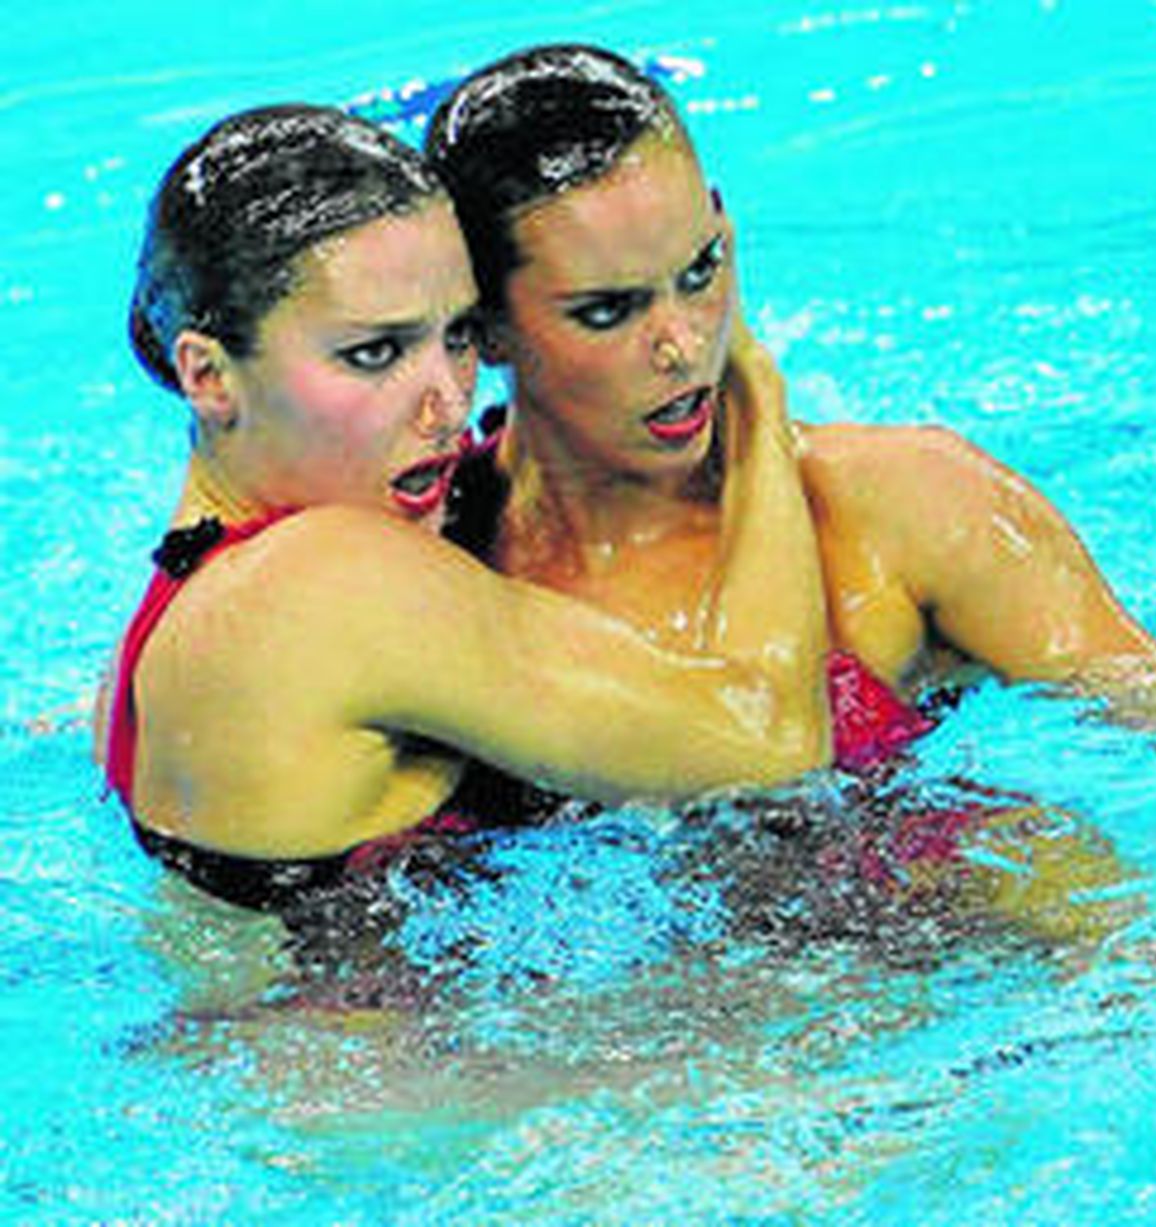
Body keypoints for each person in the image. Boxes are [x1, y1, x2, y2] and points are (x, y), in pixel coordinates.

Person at [425, 44, 1156, 785]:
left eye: (701, 271)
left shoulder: (901, 510)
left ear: (725, 225)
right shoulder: (416, 564)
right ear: (487, 331)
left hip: (934, 979)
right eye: (609, 311)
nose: (684, 341)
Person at [96, 104, 833, 912]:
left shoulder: (145, 649)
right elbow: (772, 741)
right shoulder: (329, 581)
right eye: (373, 353)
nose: (447, 403)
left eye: (457, 336)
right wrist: (754, 397)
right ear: (206, 375)